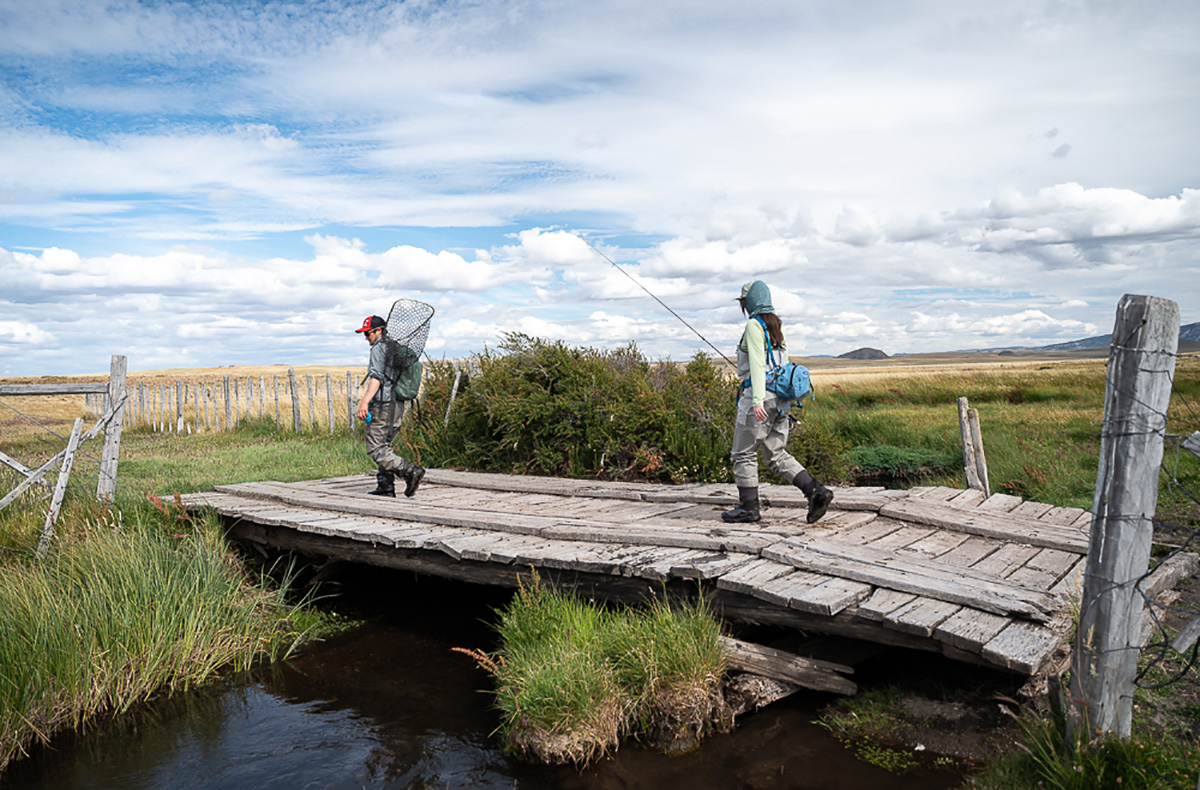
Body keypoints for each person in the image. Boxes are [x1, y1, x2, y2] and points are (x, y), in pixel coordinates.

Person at [723, 281, 833, 524]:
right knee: (776, 454)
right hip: (782, 401)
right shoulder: (777, 326)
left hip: (759, 398)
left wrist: (757, 401)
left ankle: (748, 508)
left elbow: (757, 366)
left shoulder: (753, 325)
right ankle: (816, 492)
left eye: (743, 302)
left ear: (748, 302)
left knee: (743, 454)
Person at [354, 315, 425, 497]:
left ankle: (410, 471)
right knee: (385, 445)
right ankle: (385, 486)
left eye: (367, 334)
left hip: (383, 404)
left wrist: (364, 401)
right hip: (397, 403)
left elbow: (377, 378)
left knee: (376, 448)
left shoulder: (379, 348)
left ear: (379, 331)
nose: (365, 338)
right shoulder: (394, 348)